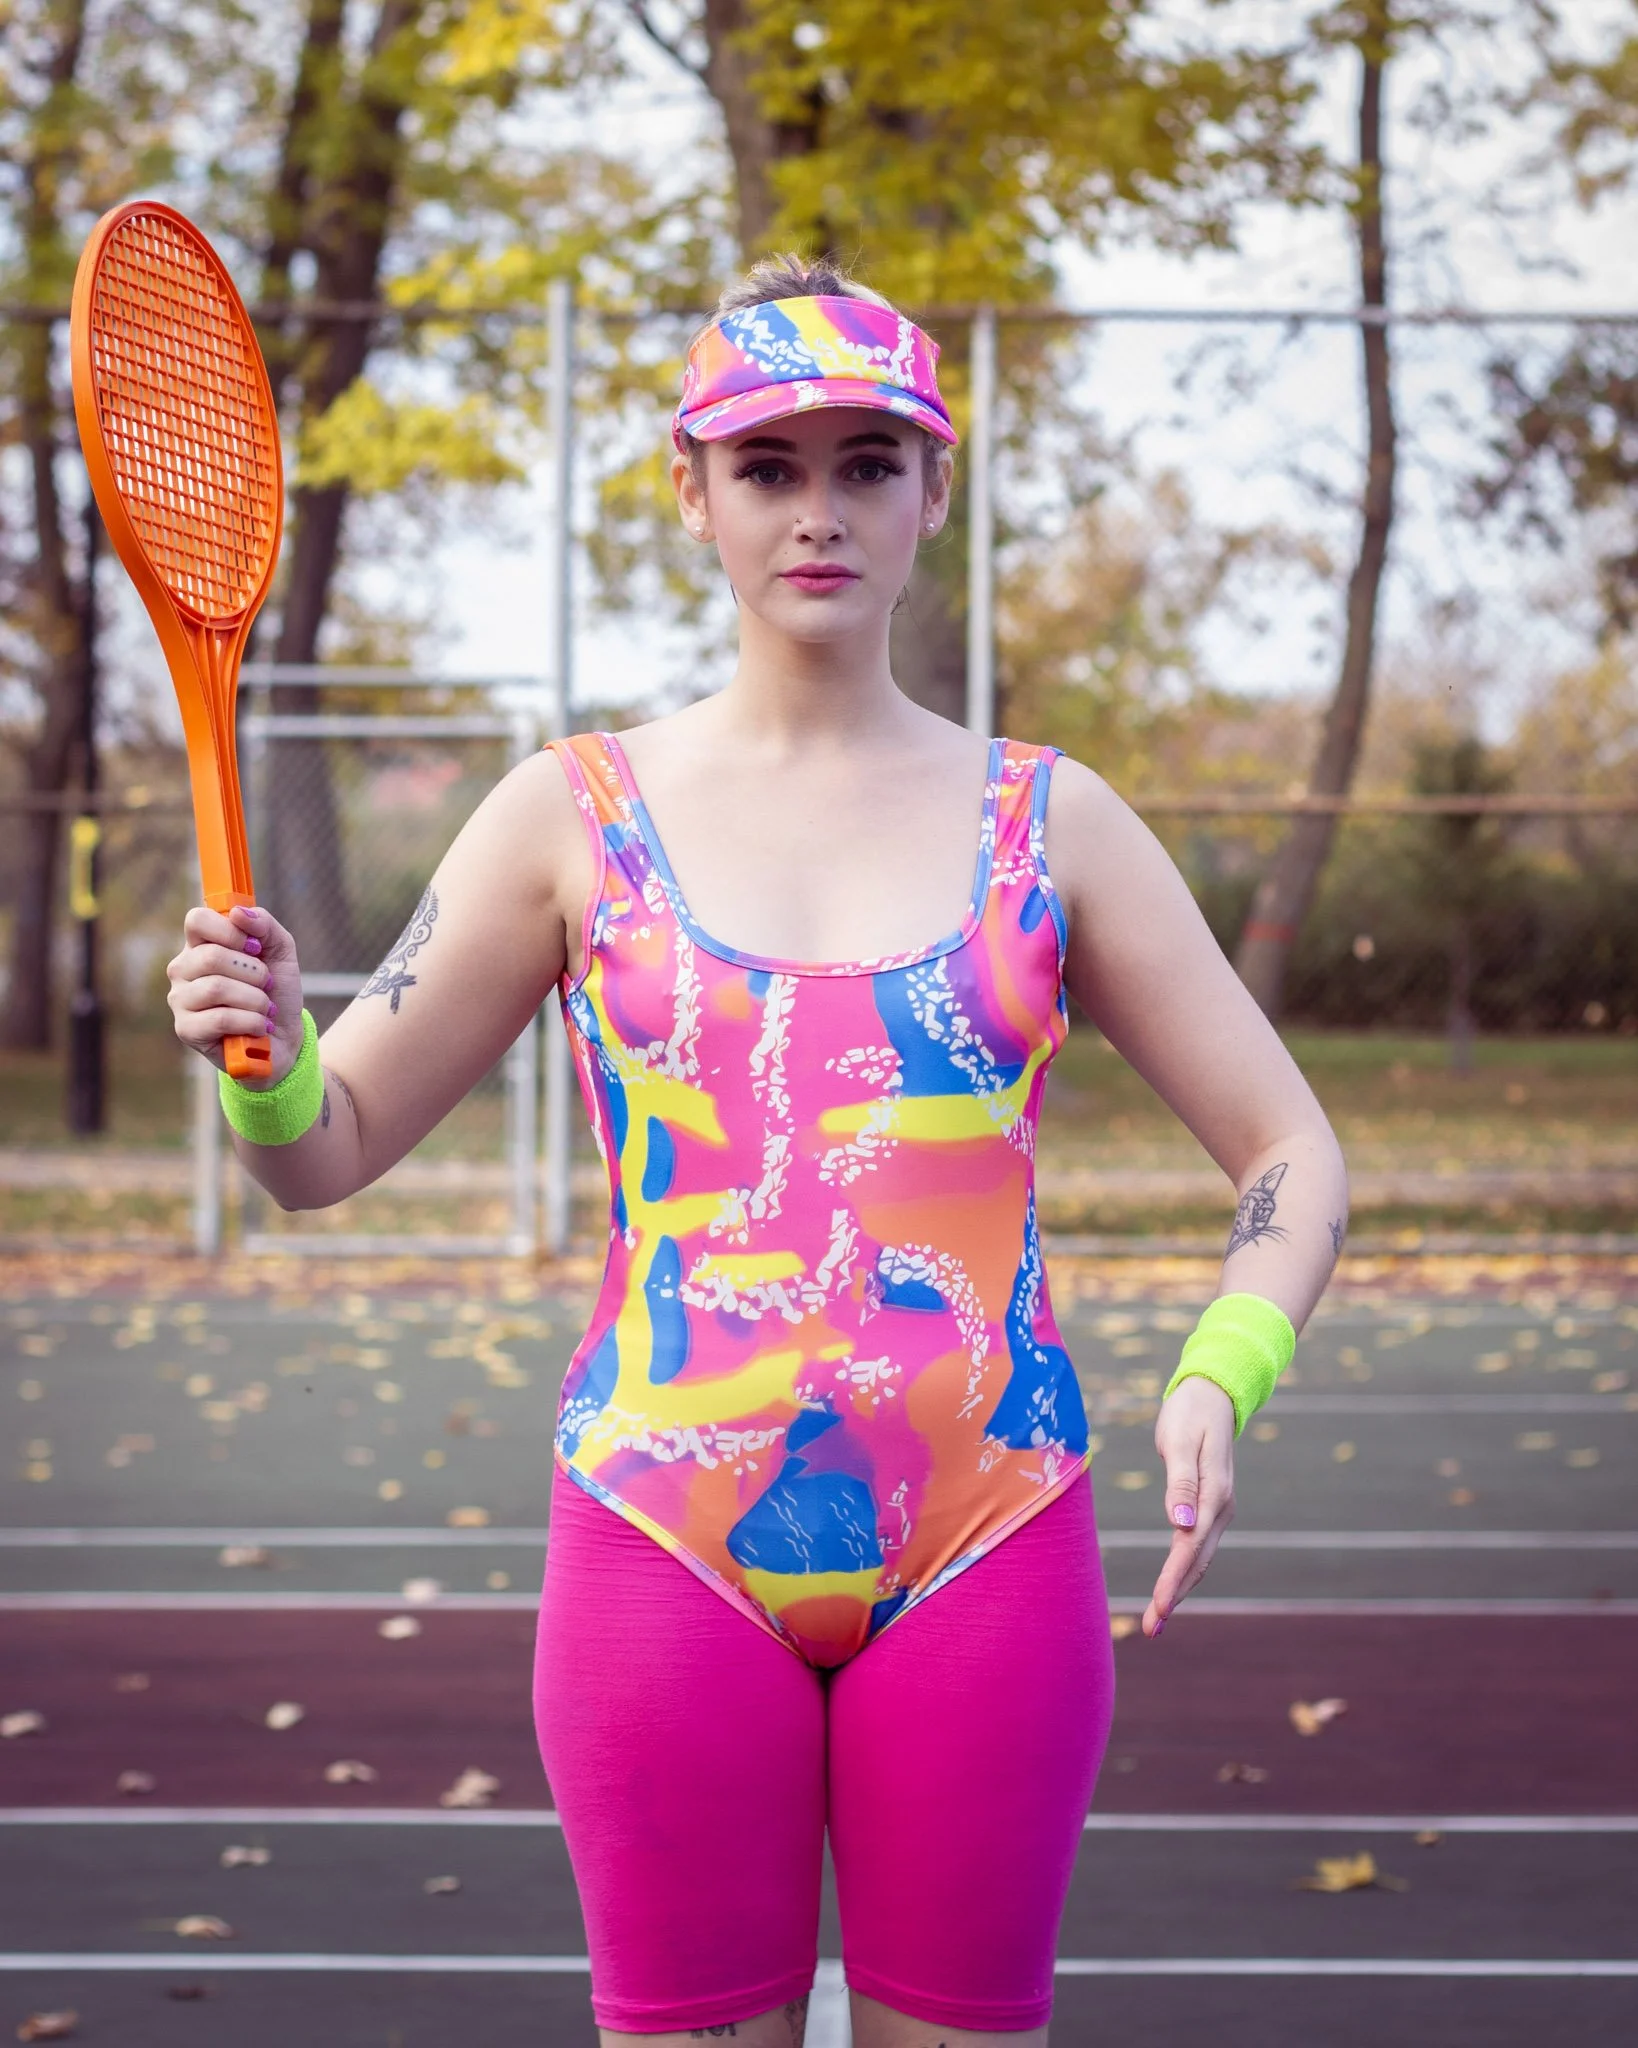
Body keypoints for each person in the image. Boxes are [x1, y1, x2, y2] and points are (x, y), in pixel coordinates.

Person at [169, 254, 1349, 2048]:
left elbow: (1288, 1151)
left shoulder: (1054, 821)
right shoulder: (567, 816)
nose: (819, 509)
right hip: (663, 1532)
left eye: (867, 463)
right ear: (691, 492)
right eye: (768, 465)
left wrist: (1223, 1371)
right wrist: (260, 1058)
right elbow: (324, 1150)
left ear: (932, 492)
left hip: (988, 1531)